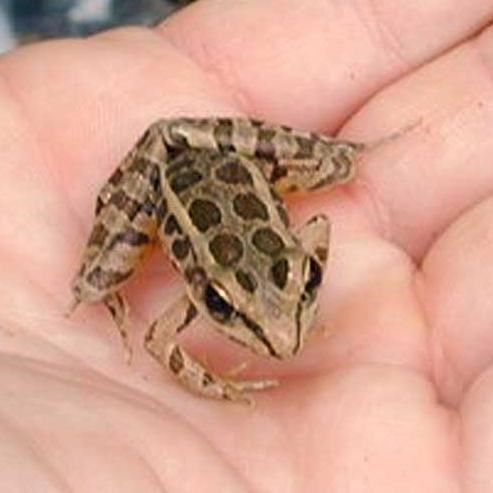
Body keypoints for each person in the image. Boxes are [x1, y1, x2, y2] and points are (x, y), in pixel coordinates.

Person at [0, 1, 491, 490]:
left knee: (339, 166)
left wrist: (305, 275)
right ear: (209, 292)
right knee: (99, 280)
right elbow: (158, 340)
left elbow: (317, 227)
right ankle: (122, 256)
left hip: (235, 167)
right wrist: (216, 386)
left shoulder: (302, 254)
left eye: (305, 285)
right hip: (167, 188)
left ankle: (274, 178)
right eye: (223, 306)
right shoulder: (201, 289)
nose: (284, 340)